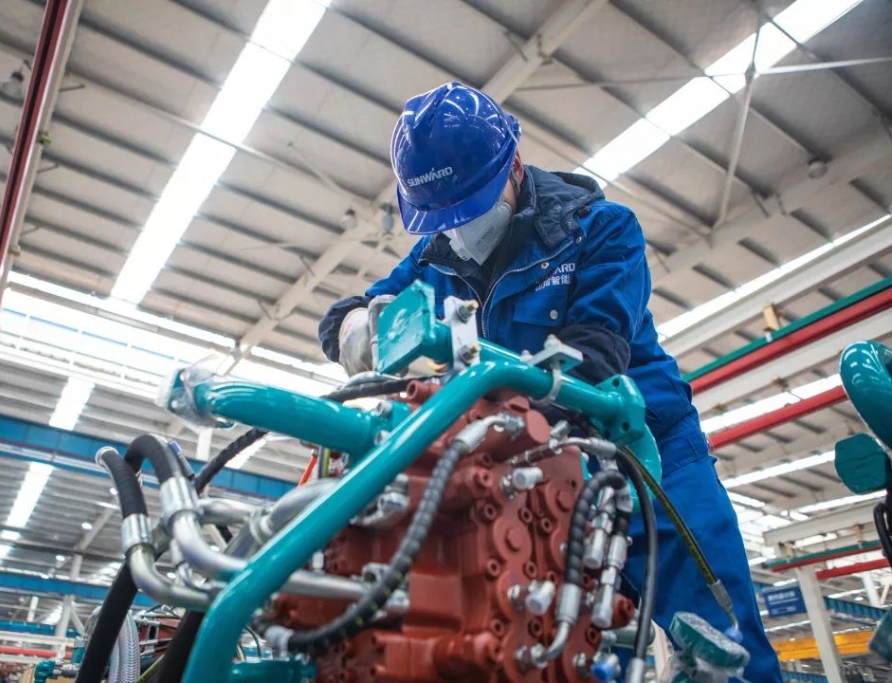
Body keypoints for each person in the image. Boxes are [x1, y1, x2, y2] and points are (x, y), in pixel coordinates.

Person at [318, 82, 781, 681]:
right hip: (533, 471)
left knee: (727, 645)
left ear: (513, 165)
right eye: (442, 219)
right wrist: (357, 327)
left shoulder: (600, 230)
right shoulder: (438, 258)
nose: (458, 231)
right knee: (545, 640)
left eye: (470, 208)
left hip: (654, 460)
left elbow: (597, 353)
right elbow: (346, 315)